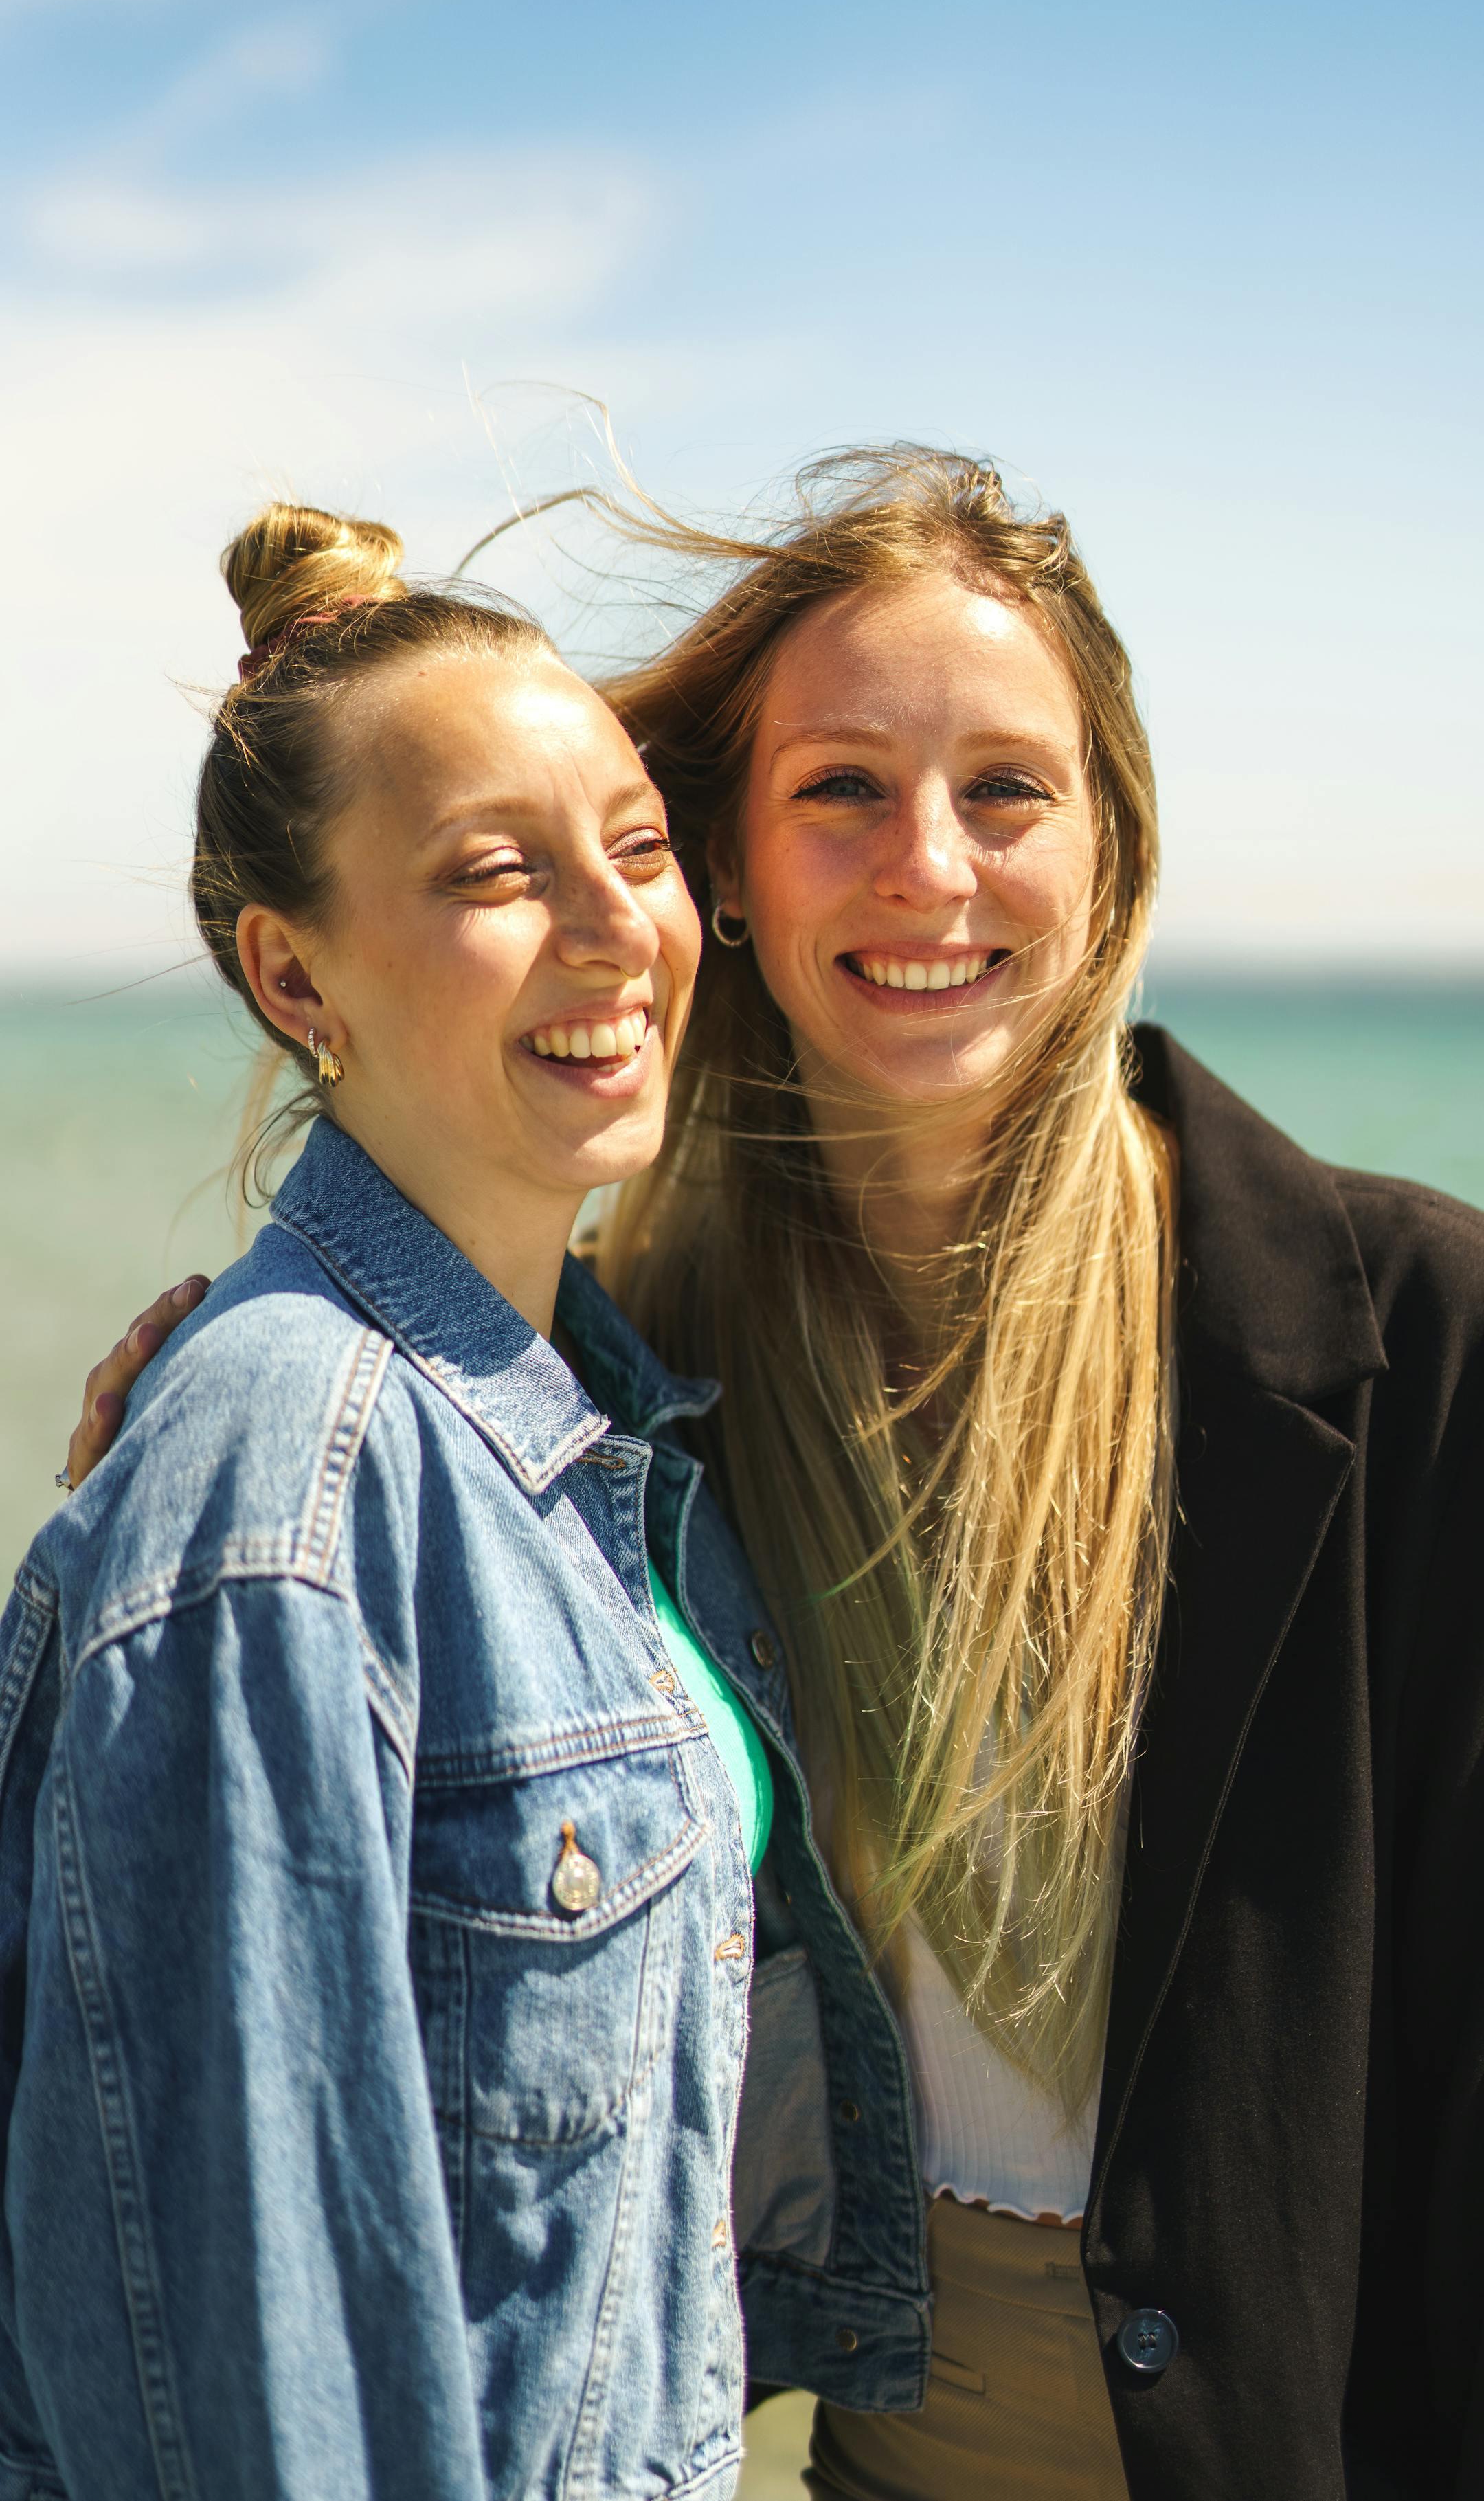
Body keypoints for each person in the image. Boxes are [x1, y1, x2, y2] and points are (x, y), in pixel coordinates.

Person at [60, 453, 1484, 2500]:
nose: (929, 867)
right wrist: (202, 1461)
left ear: (1112, 848)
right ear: (726, 863)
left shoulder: (1417, 1336)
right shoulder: (611, 1382)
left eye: (1008, 789)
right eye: (840, 791)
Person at [0, 501, 786, 2500]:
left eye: (638, 843)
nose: (618, 928)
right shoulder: (280, 1478)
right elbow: (242, 2405)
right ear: (290, 970)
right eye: (497, 874)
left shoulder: (577, 1425)